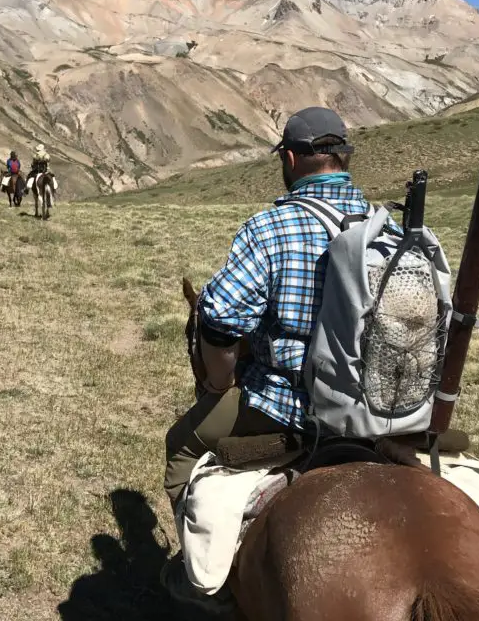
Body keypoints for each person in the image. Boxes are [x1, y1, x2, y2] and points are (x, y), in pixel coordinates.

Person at [161, 106, 385, 603]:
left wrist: (219, 384)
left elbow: (217, 318)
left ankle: (205, 586)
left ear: (289, 158)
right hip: (378, 413)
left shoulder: (270, 228)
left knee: (181, 446)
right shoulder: (387, 227)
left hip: (287, 410)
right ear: (344, 155)